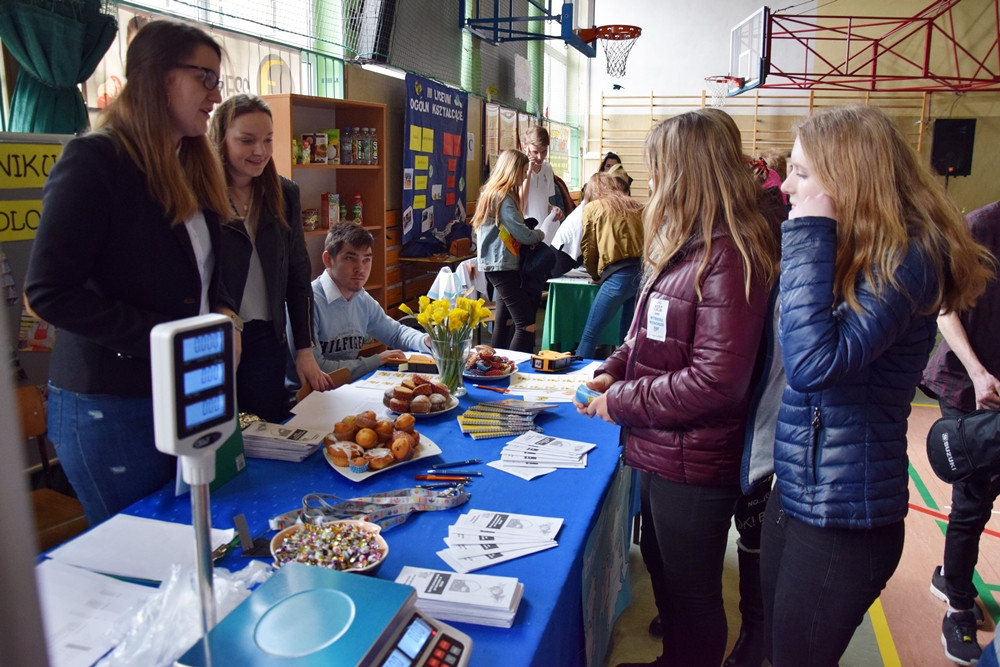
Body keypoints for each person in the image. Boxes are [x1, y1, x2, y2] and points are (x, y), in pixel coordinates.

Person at [761, 105, 993, 666]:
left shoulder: (908, 257)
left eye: (801, 173)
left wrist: (809, 234)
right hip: (797, 490)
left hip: (845, 514)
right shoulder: (851, 248)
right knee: (778, 649)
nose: (785, 186)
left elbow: (813, 364)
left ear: (850, 180)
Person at [578, 110, 780, 667]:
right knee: (662, 566)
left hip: (696, 458)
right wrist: (613, 368)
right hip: (663, 445)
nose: (653, 181)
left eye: (660, 168)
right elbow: (647, 334)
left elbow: (717, 382)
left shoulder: (729, 255)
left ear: (688, 172)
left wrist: (620, 401)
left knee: (692, 595)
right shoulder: (689, 243)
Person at [24, 20, 235, 525]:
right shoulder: (95, 160)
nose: (216, 94)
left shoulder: (190, 162)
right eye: (205, 78)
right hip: (110, 402)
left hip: (185, 385)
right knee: (141, 549)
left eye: (218, 80)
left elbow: (205, 269)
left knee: (189, 535)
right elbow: (48, 292)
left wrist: (225, 312)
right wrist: (166, 338)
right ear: (158, 76)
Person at [210, 93, 332, 422]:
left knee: (267, 430)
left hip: (267, 339)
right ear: (220, 139)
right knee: (221, 437)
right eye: (246, 140)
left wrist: (304, 350)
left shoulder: (284, 193)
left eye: (267, 140)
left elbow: (298, 276)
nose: (260, 151)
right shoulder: (201, 194)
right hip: (218, 339)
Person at [920, 199, 1000, 666]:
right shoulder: (979, 227)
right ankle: (958, 606)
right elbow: (945, 311)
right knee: (972, 500)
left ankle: (950, 574)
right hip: (969, 382)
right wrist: (978, 373)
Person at [297, 221, 430, 382]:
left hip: (346, 388)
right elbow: (317, 369)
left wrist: (425, 341)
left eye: (366, 260)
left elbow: (395, 333)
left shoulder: (361, 298)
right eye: (350, 258)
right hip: (308, 393)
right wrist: (376, 361)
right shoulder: (307, 302)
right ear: (328, 259)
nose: (360, 269)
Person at [473, 149, 545, 353]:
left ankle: (495, 364)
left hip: (497, 265)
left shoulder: (492, 194)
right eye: (523, 171)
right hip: (502, 266)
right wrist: (541, 233)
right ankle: (516, 366)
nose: (525, 176)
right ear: (513, 171)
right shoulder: (503, 198)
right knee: (526, 324)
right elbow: (523, 235)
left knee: (503, 322)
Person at [575, 170, 643, 359]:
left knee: (590, 335)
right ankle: (625, 374)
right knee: (628, 338)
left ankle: (580, 374)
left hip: (617, 276)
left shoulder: (593, 207)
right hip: (641, 275)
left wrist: (595, 275)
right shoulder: (637, 205)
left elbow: (589, 246)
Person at [520, 125, 563, 228]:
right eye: (535, 152)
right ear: (525, 147)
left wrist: (552, 208)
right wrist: (528, 171)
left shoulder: (547, 167)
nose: (540, 157)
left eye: (544, 151)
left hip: (543, 229)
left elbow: (543, 201)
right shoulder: (518, 169)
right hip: (526, 229)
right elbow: (521, 207)